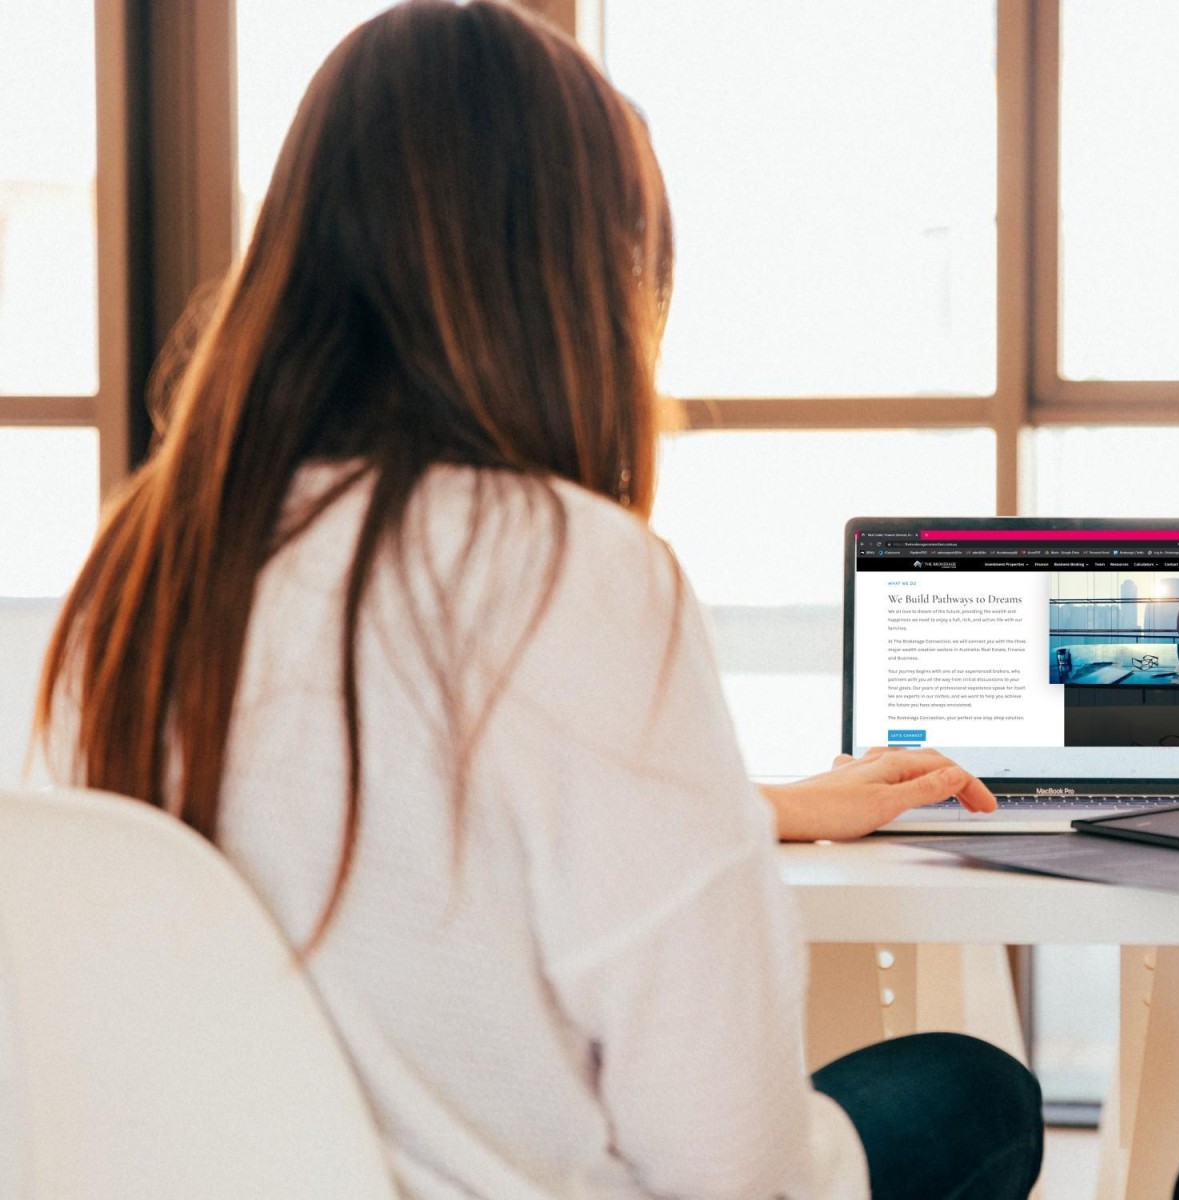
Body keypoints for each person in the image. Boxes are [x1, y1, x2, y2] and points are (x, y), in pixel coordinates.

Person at [34, 3, 1039, 1198]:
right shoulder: (568, 565)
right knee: (973, 1092)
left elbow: (383, 829)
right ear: (578, 277)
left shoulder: (140, 568)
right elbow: (730, 1161)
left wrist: (751, 806)